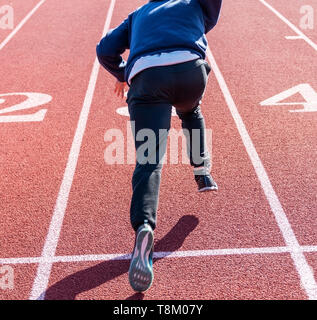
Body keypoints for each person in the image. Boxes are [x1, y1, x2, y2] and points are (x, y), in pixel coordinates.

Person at [96, 0, 222, 292]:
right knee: (191, 112)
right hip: (191, 73)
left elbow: (104, 50)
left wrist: (122, 74)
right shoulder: (193, 5)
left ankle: (144, 226)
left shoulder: (139, 14)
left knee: (149, 159)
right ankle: (203, 173)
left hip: (147, 76)